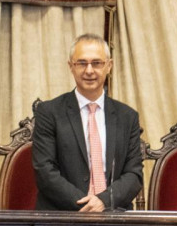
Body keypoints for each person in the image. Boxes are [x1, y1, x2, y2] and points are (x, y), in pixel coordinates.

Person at [32, 33, 143, 211]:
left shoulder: (127, 117)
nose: (89, 70)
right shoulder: (49, 112)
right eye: (82, 63)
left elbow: (134, 175)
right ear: (71, 66)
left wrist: (103, 202)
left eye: (97, 63)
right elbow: (45, 172)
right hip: (62, 217)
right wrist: (87, 205)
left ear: (109, 66)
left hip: (113, 217)